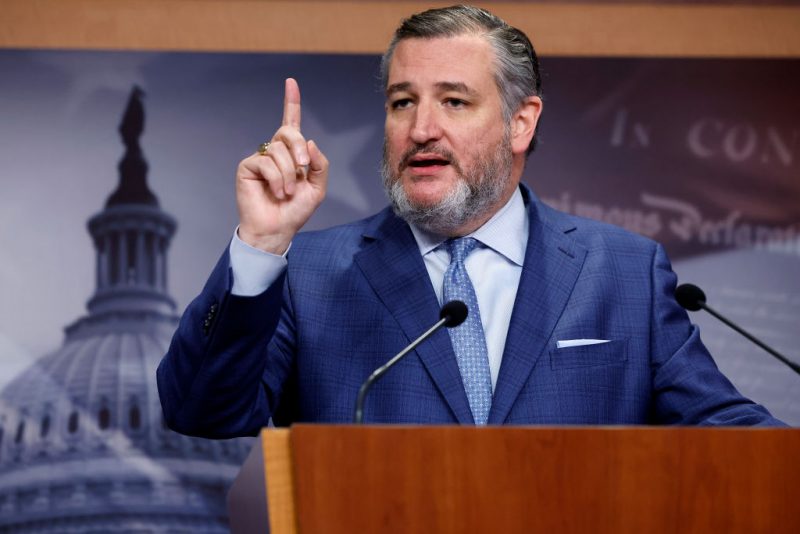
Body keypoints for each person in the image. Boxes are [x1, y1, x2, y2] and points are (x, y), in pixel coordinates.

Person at [157, 5, 783, 438]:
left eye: (453, 100)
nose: (421, 127)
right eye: (403, 102)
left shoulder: (624, 271)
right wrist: (262, 244)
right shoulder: (310, 274)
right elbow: (200, 413)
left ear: (521, 122)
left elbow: (727, 432)